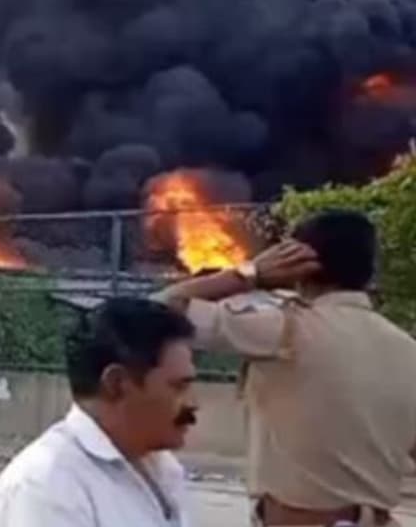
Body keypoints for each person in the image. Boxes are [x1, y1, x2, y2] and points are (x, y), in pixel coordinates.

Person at [154, 209, 416, 526]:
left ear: (296, 264)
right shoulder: (406, 348)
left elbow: (159, 309)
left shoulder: (284, 329)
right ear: (369, 272)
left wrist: (251, 273)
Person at [0, 296, 200, 526]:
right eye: (179, 387)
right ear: (116, 384)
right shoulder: (46, 486)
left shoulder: (162, 468)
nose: (193, 403)